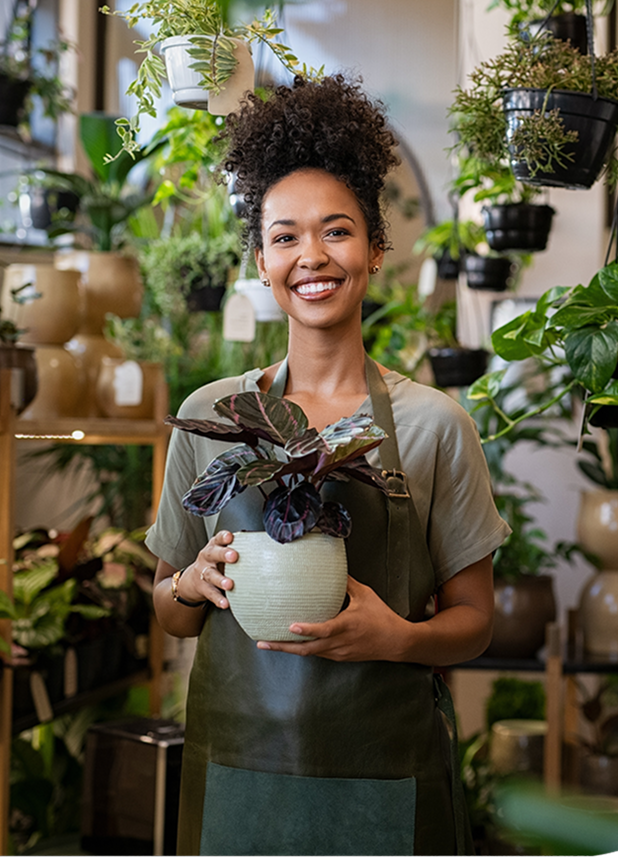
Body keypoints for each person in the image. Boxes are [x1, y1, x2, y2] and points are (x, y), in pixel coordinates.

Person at [145, 74, 510, 857]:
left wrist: (395, 638)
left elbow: (476, 622)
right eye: (284, 237)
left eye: (336, 231)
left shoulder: (434, 426)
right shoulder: (214, 416)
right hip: (237, 774)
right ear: (262, 259)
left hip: (383, 779)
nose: (311, 256)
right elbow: (169, 612)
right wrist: (189, 583)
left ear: (375, 249)